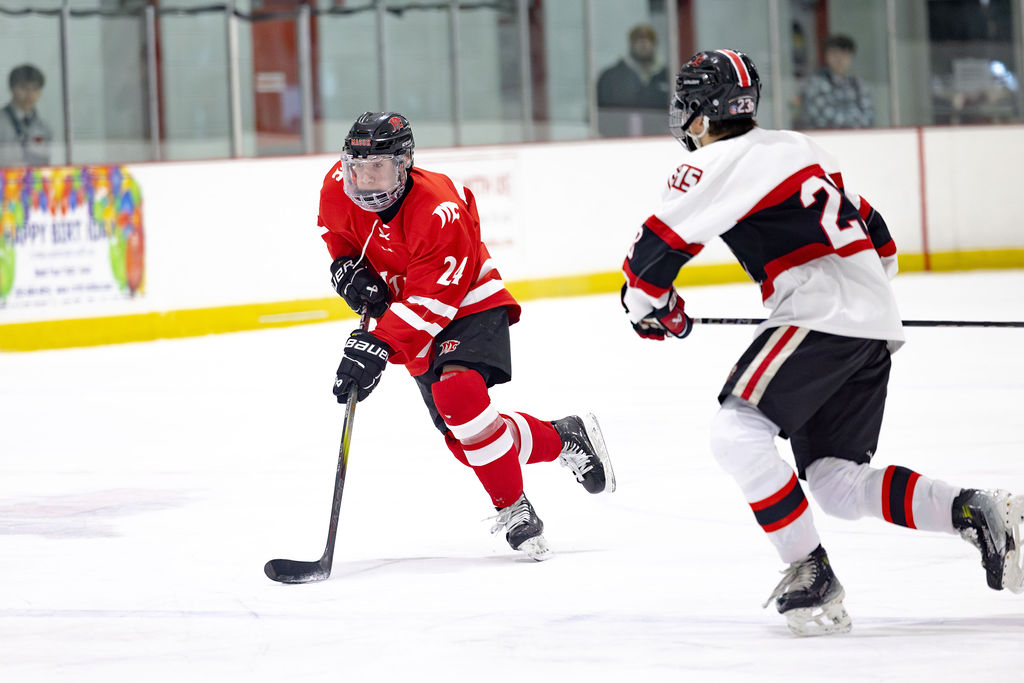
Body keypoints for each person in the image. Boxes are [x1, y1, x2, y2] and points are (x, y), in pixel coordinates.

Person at [619, 49, 1024, 636]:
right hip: (871, 324)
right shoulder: (799, 148)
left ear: (703, 115)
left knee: (736, 433)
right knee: (834, 481)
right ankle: (973, 509)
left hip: (819, 315)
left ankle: (809, 572)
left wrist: (655, 311)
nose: (684, 122)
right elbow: (877, 234)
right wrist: (863, 296)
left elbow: (649, 260)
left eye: (687, 110)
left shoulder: (714, 163)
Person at [318, 111, 616, 561]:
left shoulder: (439, 210)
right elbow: (335, 235)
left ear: (404, 164)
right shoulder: (338, 188)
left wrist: (378, 344)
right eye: (357, 168)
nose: (365, 180)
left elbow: (433, 303)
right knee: (468, 443)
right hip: (406, 308)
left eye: (377, 167)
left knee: (459, 397)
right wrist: (344, 267)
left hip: (467, 300)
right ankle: (564, 436)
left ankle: (514, 508)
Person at [596, 23, 671, 137]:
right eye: (639, 40)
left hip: (658, 141)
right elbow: (599, 113)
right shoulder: (611, 77)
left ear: (654, 44)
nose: (643, 44)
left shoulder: (667, 76)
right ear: (631, 44)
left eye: (647, 40)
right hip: (618, 141)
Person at [798, 34, 873, 129]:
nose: (840, 59)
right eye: (834, 53)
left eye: (844, 54)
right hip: (825, 140)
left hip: (857, 139)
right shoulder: (815, 84)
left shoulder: (858, 85)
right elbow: (824, 119)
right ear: (826, 56)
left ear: (851, 57)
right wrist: (854, 123)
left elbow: (868, 116)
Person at [0, 64, 53, 167]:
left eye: (35, 89)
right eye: (23, 88)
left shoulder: (44, 128)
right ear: (12, 88)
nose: (30, 94)